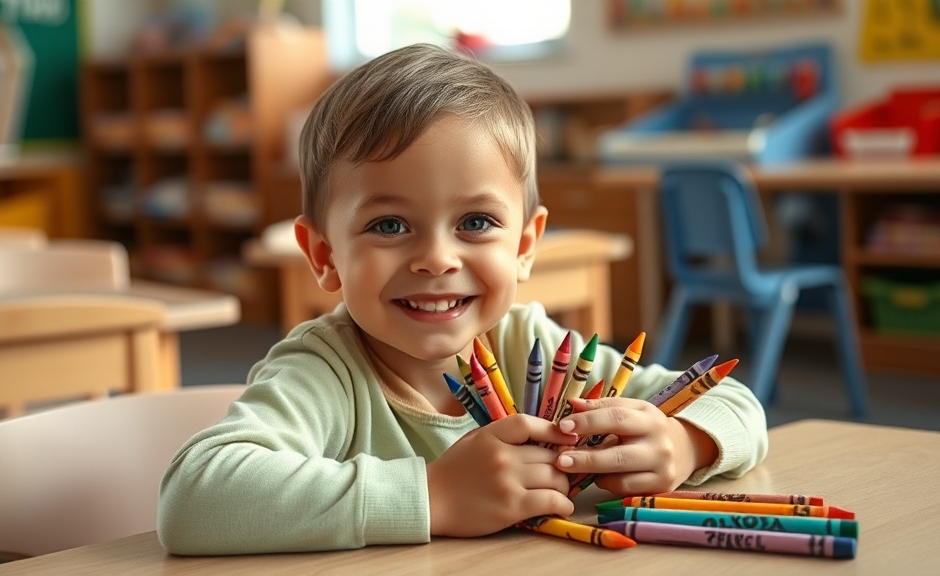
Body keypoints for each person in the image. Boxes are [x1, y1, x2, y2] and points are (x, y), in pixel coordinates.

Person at [157, 43, 768, 555]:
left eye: (475, 222)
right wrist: (435, 494)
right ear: (324, 256)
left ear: (526, 246)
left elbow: (733, 398)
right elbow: (194, 498)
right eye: (390, 225)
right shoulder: (326, 372)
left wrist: (685, 441)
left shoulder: (534, 346)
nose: (438, 259)